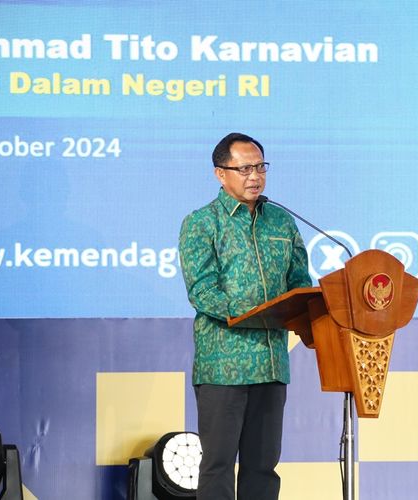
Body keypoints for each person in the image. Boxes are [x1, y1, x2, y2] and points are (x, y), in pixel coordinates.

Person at [179, 132, 312, 500]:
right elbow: (202, 291)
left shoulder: (282, 223)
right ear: (221, 174)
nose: (255, 176)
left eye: (260, 167)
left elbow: (300, 283)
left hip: (271, 365)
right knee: (218, 466)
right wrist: (257, 314)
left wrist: (308, 315)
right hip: (224, 366)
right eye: (245, 169)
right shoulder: (202, 223)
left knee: (262, 469)